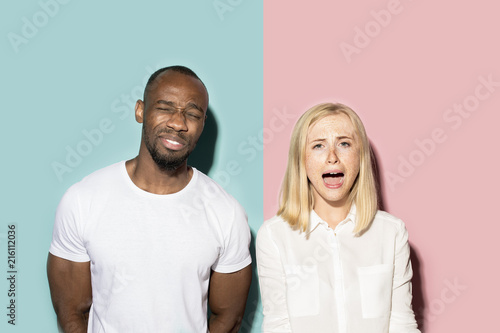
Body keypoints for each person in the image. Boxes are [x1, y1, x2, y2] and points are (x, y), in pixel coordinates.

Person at [47, 65, 252, 333]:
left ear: (202, 125)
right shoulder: (83, 200)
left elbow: (228, 318)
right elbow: (72, 311)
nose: (178, 123)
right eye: (165, 108)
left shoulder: (227, 213)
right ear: (140, 111)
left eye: (192, 114)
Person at [256, 103, 420, 332]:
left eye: (344, 144)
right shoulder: (274, 236)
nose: (332, 157)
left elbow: (402, 325)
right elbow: (278, 325)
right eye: (318, 146)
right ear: (300, 159)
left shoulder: (392, 233)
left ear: (360, 156)